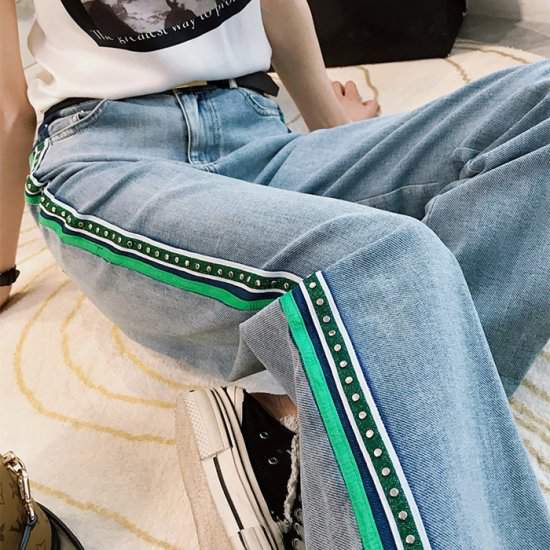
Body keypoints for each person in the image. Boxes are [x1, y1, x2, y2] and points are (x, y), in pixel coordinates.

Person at [2, 1, 550, 549]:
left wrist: (343, 139)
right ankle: (362, 424)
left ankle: (333, 424)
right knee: (381, 259)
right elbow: (8, 108)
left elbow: (282, 13)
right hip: (106, 155)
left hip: (260, 131)